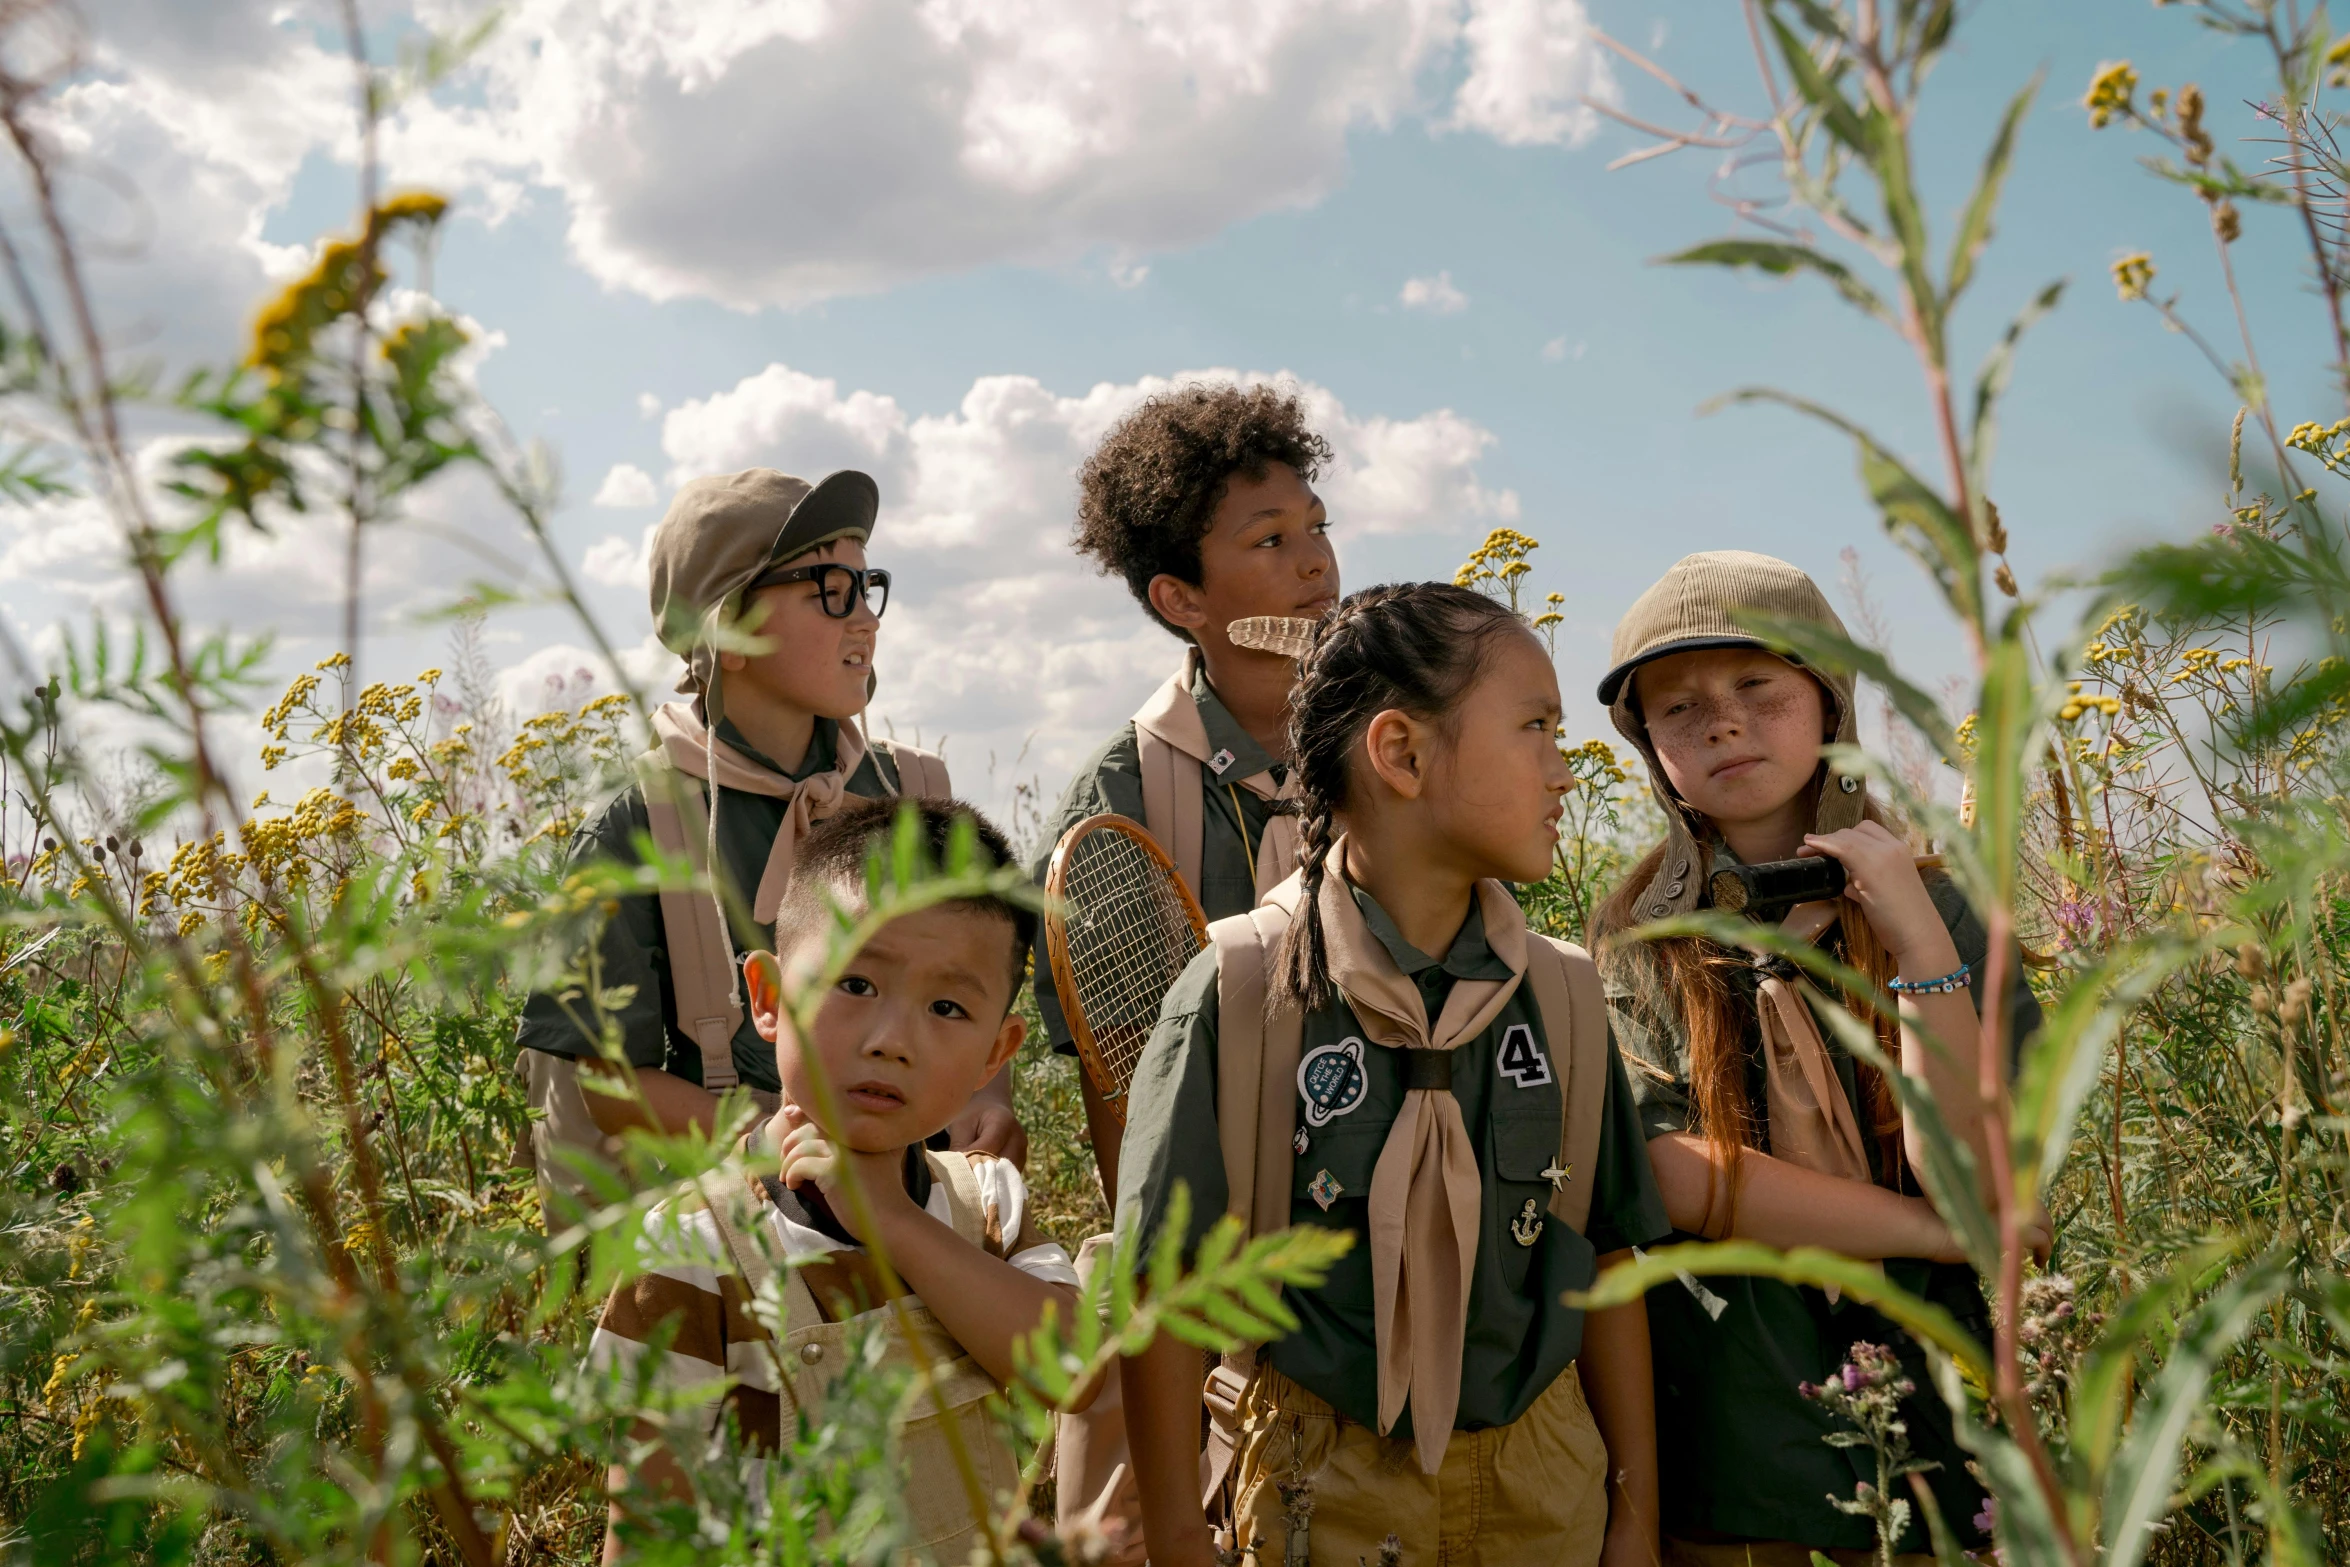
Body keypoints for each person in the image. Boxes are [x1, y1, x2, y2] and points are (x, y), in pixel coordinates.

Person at [1116, 582, 1670, 1567]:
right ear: (1402, 754)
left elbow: (1606, 1263)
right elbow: (1161, 1297)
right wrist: (1174, 1541)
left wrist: (1633, 1515)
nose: (1563, 770)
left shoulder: (1564, 998)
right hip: (1314, 1485)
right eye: (1535, 727)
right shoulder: (1244, 991)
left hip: (1542, 1484)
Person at [1589, 550, 2042, 1567]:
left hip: (1935, 1402)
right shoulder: (1638, 932)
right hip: (1737, 1418)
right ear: (1648, 744)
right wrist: (1933, 1233)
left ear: (1826, 702)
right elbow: (1672, 1168)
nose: (1722, 722)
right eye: (1678, 707)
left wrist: (1924, 951)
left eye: (1759, 685)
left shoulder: (1945, 905)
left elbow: (1982, 1180)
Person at [513, 468, 1022, 1221]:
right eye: (830, 591)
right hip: (734, 1221)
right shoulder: (641, 826)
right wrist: (760, 1139)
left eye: (867, 585)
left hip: (911, 1197)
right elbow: (603, 1080)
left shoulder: (915, 793)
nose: (867, 621)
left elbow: (974, 983)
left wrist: (984, 1098)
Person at [590, 798, 1084, 1565]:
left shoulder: (985, 1202)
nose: (891, 1041)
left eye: (948, 1006)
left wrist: (896, 1222)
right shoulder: (690, 1246)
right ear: (767, 997)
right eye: (855, 985)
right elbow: (648, 1531)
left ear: (997, 1052)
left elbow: (1072, 1369)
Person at [1035, 381, 1339, 1200]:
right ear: (1181, 598)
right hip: (1223, 1213)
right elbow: (1125, 1080)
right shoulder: (1124, 791)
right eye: (1270, 540)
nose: (1316, 560)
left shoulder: (1387, 745)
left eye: (1317, 526)